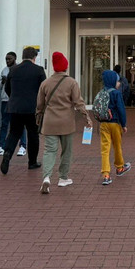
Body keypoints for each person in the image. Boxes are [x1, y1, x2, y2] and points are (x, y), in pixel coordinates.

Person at [36, 52, 90, 194]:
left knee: (49, 151)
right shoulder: (72, 82)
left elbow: (40, 105)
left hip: (50, 123)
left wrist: (38, 117)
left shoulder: (45, 83)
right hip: (66, 122)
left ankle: (47, 177)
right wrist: (86, 117)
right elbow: (78, 102)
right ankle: (63, 178)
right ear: (65, 66)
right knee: (67, 151)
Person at [0, 47, 47, 175]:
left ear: (22, 56)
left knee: (14, 132)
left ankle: (7, 153)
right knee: (33, 134)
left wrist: (14, 100)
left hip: (15, 107)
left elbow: (8, 88)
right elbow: (44, 90)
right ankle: (32, 162)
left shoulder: (13, 70)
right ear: (34, 57)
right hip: (32, 108)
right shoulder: (38, 70)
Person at [95, 69, 131, 185]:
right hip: (115, 123)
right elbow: (121, 109)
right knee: (117, 146)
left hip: (103, 123)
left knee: (105, 149)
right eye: (117, 81)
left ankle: (106, 174)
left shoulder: (102, 92)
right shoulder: (116, 93)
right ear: (113, 81)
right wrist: (124, 124)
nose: (119, 83)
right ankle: (120, 167)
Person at [0, 51, 27, 158]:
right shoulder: (4, 70)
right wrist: (2, 82)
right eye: (6, 59)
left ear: (15, 59)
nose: (7, 61)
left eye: (9, 59)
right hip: (5, 100)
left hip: (16, 101)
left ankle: (23, 146)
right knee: (4, 123)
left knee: (19, 123)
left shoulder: (19, 69)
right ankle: (1, 146)